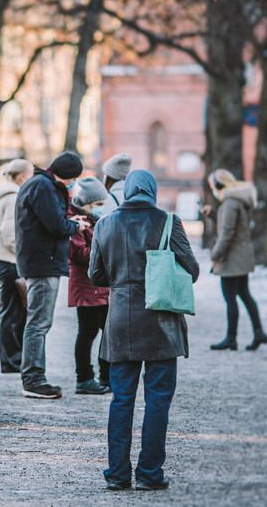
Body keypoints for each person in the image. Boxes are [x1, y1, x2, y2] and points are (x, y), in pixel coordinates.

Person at [89, 170, 200, 491]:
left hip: (121, 321)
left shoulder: (105, 224)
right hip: (161, 322)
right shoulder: (168, 222)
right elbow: (191, 270)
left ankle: (117, 474)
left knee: (121, 399)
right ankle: (150, 473)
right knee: (158, 401)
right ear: (151, 190)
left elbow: (97, 275)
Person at [15, 151, 87, 399]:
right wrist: (75, 225)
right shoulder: (44, 187)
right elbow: (55, 225)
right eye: (72, 179)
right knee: (39, 323)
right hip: (42, 263)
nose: (72, 184)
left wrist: (70, 221)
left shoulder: (39, 184)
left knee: (38, 322)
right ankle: (33, 379)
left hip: (39, 261)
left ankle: (33, 376)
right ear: (65, 175)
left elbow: (51, 220)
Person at [205, 169, 267, 351]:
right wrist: (213, 214)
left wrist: (215, 256)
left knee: (230, 298)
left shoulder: (230, 203)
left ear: (219, 185)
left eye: (212, 186)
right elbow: (230, 224)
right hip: (241, 256)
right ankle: (259, 332)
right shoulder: (235, 202)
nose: (212, 189)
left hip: (233, 258)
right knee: (245, 295)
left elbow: (227, 233)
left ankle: (231, 339)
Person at [0, 158, 33, 374]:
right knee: (13, 312)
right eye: (30, 175)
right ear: (22, 176)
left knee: (9, 310)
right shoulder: (13, 197)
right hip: (9, 260)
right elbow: (9, 232)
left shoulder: (2, 194)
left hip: (0, 259)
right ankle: (12, 360)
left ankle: (10, 360)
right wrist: (22, 253)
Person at [68, 177, 112, 395]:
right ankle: (84, 378)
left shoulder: (96, 221)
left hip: (102, 286)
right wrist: (105, 253)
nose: (101, 208)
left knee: (108, 331)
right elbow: (77, 254)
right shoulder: (75, 221)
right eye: (99, 203)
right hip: (85, 286)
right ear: (88, 202)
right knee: (87, 332)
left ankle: (106, 375)